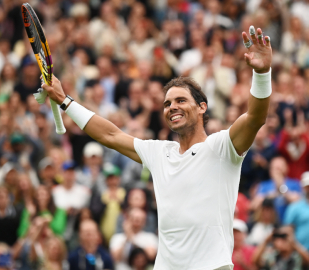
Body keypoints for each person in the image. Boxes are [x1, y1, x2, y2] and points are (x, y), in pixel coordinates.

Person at [43, 25, 273, 269]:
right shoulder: (159, 152)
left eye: (181, 100)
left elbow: (255, 118)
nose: (172, 107)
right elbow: (110, 135)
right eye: (167, 103)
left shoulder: (221, 146)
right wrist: (65, 100)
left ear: (202, 107)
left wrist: (262, 74)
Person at [251, 157, 302, 222]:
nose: (277, 171)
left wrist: (281, 187)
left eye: (280, 168)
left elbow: (298, 202)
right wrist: (272, 194)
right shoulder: (264, 185)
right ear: (270, 170)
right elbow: (254, 206)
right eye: (275, 168)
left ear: (286, 168)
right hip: (268, 223)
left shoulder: (294, 183)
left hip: (288, 223)